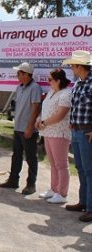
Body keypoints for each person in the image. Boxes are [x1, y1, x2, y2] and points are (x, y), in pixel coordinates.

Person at [0, 62, 42, 195]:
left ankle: (31, 184)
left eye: (19, 73)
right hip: (18, 127)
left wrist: (30, 127)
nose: (17, 75)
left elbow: (35, 109)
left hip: (28, 129)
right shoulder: (19, 87)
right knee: (16, 156)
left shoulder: (35, 88)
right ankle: (13, 180)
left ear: (27, 75)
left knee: (30, 157)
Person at [62, 50, 92, 222]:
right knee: (81, 168)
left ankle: (90, 207)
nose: (72, 68)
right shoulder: (78, 84)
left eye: (73, 65)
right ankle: (83, 202)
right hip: (77, 131)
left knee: (89, 170)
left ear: (79, 66)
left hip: (88, 132)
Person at [35, 68, 71, 204]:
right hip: (48, 132)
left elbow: (60, 115)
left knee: (61, 164)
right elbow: (45, 110)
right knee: (53, 163)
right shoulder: (51, 92)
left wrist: (44, 122)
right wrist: (39, 119)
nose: (48, 82)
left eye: (50, 79)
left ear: (58, 80)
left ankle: (62, 193)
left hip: (59, 133)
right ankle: (53, 189)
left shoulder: (66, 94)